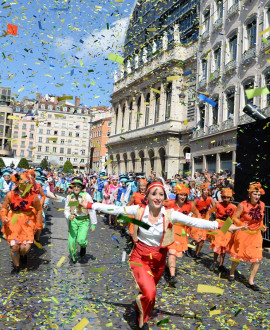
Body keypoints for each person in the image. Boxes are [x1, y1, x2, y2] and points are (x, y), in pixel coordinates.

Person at [80, 179, 240, 329]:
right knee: (150, 293)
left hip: (159, 259)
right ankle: (143, 322)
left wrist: (223, 226)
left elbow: (195, 221)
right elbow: (115, 209)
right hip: (140, 258)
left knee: (149, 294)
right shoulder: (139, 210)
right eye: (154, 193)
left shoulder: (170, 214)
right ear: (147, 196)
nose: (157, 197)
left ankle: (139, 308)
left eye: (161, 194)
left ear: (164, 197)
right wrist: (89, 204)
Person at [0, 172, 43, 273]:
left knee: (25, 247)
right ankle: (16, 266)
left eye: (28, 183)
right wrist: (3, 217)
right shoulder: (10, 194)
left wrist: (38, 224)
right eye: (24, 183)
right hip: (14, 220)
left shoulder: (33, 197)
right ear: (18, 184)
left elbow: (39, 210)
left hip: (28, 221)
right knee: (14, 246)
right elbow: (4, 208)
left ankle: (23, 254)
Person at [228, 182, 266, 291]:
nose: (257, 197)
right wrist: (240, 224)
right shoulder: (242, 204)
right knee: (238, 256)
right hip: (244, 233)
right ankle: (231, 272)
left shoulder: (262, 205)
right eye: (255, 194)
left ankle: (251, 281)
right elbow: (235, 217)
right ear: (250, 194)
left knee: (257, 257)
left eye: (259, 195)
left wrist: (262, 225)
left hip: (256, 234)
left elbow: (261, 217)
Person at [165, 183, 199, 286]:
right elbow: (156, 204)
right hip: (169, 229)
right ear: (176, 194)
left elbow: (197, 215)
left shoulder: (190, 205)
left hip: (181, 231)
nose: (183, 197)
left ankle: (170, 272)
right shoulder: (170, 203)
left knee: (173, 253)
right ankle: (171, 275)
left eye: (185, 195)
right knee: (171, 252)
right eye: (181, 195)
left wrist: (195, 228)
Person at [64, 177, 97, 263]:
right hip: (73, 220)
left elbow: (92, 210)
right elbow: (66, 210)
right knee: (71, 241)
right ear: (72, 187)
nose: (76, 188)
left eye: (78, 186)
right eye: (74, 186)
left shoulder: (87, 196)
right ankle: (73, 256)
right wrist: (68, 216)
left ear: (81, 188)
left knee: (81, 240)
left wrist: (93, 224)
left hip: (84, 221)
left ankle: (83, 246)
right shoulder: (69, 197)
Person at [209, 188, 237, 272]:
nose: (226, 199)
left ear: (230, 198)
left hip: (227, 224)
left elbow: (235, 218)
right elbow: (210, 212)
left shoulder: (233, 207)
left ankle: (221, 264)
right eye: (224, 197)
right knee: (217, 243)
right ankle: (214, 261)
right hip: (218, 224)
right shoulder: (217, 205)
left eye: (228, 197)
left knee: (224, 245)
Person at [188, 183, 216, 258]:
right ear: (202, 191)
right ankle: (190, 247)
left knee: (203, 239)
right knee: (198, 238)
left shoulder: (210, 199)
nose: (206, 192)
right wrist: (196, 213)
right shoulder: (197, 199)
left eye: (207, 190)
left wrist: (209, 212)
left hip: (205, 219)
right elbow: (191, 207)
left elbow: (215, 206)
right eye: (204, 190)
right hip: (197, 219)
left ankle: (196, 254)